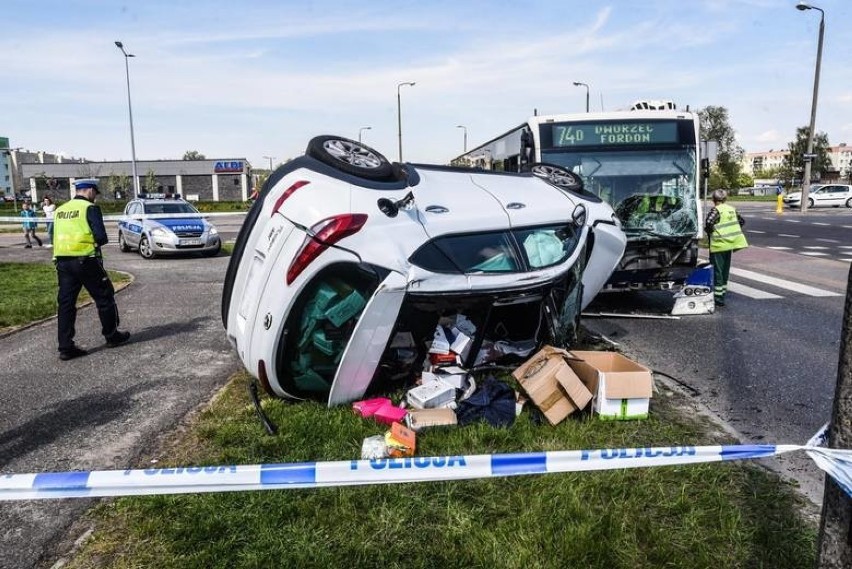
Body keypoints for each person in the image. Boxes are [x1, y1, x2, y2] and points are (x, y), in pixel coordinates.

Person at [53, 178, 130, 360]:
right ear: (88, 190)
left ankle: (65, 347)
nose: (95, 196)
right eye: (95, 192)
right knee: (104, 296)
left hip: (63, 261)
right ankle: (112, 336)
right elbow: (101, 237)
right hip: (86, 260)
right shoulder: (90, 208)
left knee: (66, 304)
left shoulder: (60, 210)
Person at [704, 189, 748, 307]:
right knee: (724, 270)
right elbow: (741, 221)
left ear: (714, 200)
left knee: (717, 271)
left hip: (718, 245)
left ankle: (718, 298)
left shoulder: (716, 210)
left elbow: (708, 223)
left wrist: (712, 233)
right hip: (730, 244)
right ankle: (722, 293)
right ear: (725, 199)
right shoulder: (732, 209)